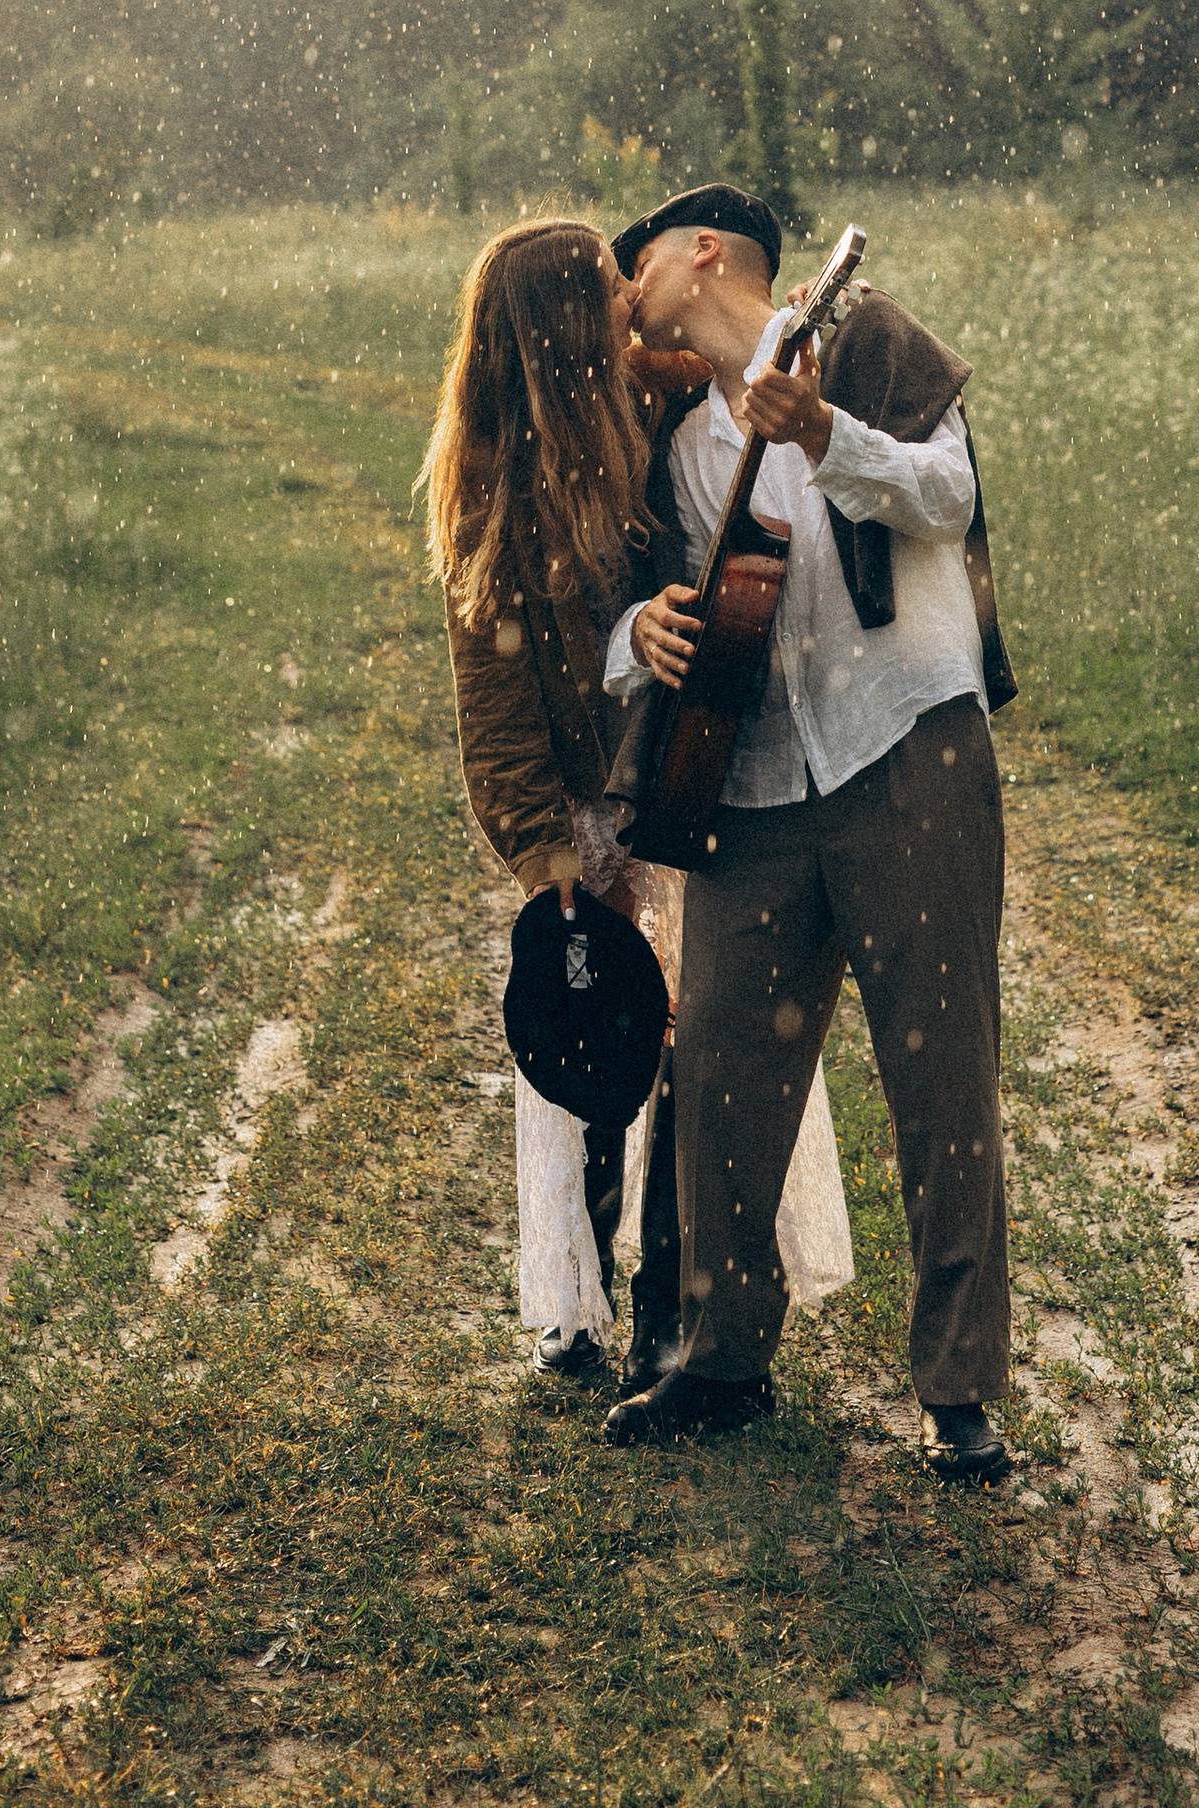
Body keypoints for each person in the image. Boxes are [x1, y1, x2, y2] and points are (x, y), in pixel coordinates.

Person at [598, 183, 1019, 1483]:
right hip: (756, 788)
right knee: (720, 1078)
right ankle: (721, 1363)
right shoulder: (670, 449)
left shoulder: (867, 335)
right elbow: (618, 613)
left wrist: (827, 434)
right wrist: (637, 638)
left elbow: (946, 500)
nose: (625, 298)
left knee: (940, 1078)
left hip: (912, 750)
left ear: (702, 253)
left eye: (636, 269)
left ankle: (958, 1395)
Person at [424, 216, 852, 1393]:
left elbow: (743, 355)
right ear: (564, 323)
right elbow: (495, 709)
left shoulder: (652, 397)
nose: (631, 300)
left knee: (692, 1050)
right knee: (595, 1044)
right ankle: (581, 1303)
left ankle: (671, 1300)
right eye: (607, 290)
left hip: (686, 773)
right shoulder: (486, 490)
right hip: (583, 807)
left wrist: (795, 318)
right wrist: (551, 867)